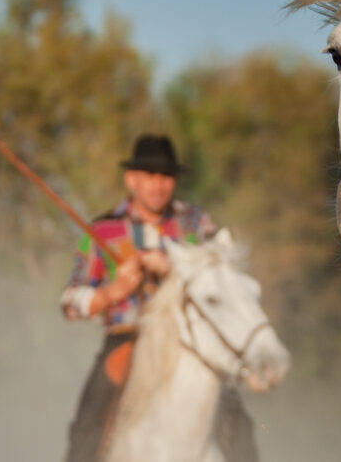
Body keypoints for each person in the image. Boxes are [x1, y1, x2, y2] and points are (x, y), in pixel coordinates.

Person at [60, 134, 257, 462]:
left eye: (166, 176)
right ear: (131, 179)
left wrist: (171, 267)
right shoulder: (103, 230)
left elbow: (222, 275)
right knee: (91, 416)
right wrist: (112, 292)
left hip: (189, 341)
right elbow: (69, 301)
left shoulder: (196, 223)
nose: (158, 185)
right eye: (150, 175)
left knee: (236, 416)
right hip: (128, 338)